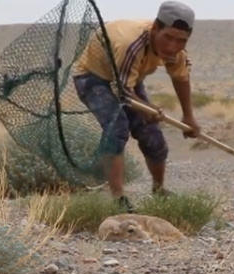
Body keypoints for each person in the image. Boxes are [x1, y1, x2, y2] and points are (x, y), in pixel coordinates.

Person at [72, 1, 201, 213]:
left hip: (128, 79)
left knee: (152, 136)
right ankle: (118, 199)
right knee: (117, 129)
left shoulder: (177, 50)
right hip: (93, 77)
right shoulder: (130, 44)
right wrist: (146, 109)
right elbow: (122, 92)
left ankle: (159, 191)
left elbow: (180, 77)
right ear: (155, 28)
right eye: (168, 37)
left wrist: (189, 117)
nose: (172, 47)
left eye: (181, 41)